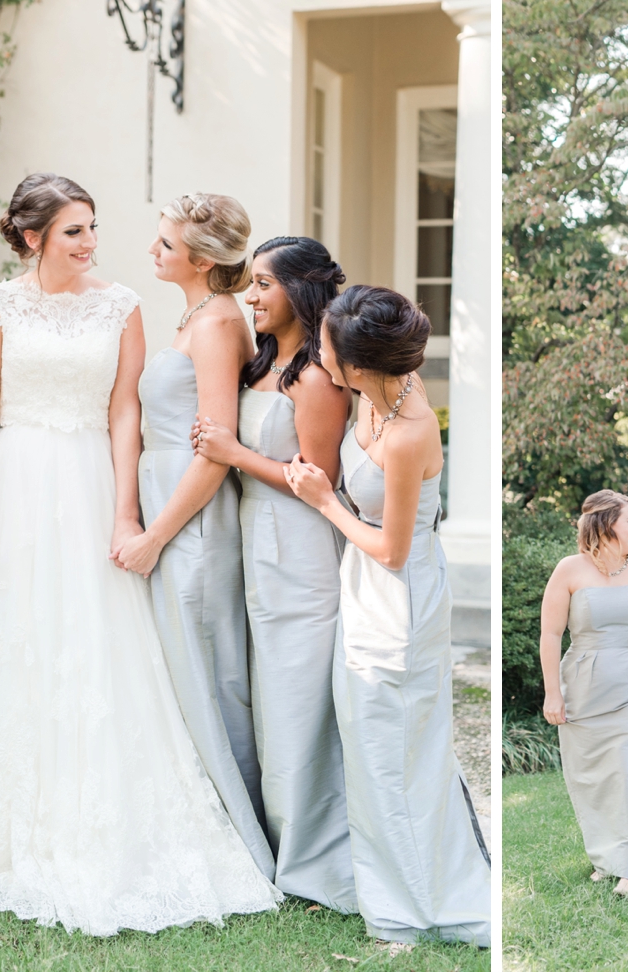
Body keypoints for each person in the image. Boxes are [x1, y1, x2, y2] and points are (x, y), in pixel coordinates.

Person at [0, 173, 280, 934]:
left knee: (100, 641)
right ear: (34, 236)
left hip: (91, 484)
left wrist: (126, 510)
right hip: (14, 481)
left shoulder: (125, 307)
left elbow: (124, 414)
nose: (91, 243)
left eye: (93, 228)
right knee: (8, 638)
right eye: (74, 231)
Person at [284, 285, 489, 945]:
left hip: (398, 601)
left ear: (355, 361)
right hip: (362, 590)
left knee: (391, 756)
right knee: (374, 755)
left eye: (325, 346)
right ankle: (393, 893)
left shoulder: (409, 429)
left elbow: (393, 551)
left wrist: (324, 501)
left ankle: (409, 916)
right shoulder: (374, 397)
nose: (318, 352)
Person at [191, 236, 355, 910]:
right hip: (253, 542)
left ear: (301, 291)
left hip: (301, 545)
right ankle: (273, 834)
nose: (251, 296)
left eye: (263, 284)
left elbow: (320, 480)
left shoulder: (316, 376)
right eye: (250, 284)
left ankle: (312, 852)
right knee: (264, 692)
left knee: (296, 696)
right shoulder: (262, 363)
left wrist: (234, 453)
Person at [114, 193, 273, 881]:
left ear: (202, 261)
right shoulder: (197, 314)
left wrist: (154, 536)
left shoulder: (213, 326)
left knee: (207, 670)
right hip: (165, 496)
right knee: (182, 668)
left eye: (164, 244)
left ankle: (236, 829)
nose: (153, 252)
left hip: (192, 518)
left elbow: (216, 450)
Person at [540, 491, 628, 899]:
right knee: (595, 779)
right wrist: (553, 693)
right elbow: (550, 635)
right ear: (605, 525)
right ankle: (608, 858)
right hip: (585, 688)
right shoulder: (569, 570)